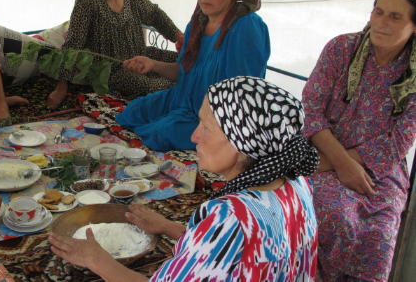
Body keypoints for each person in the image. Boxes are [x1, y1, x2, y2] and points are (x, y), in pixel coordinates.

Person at [49, 76, 319, 281]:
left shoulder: (231, 216)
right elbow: (244, 251)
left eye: (206, 128)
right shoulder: (298, 183)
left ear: (242, 144)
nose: (194, 137)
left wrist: (96, 258)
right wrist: (170, 227)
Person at [302, 0, 416, 281]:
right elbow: (312, 111)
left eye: (395, 16)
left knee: (380, 235)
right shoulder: (341, 49)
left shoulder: (414, 76)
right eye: (378, 12)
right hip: (322, 154)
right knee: (332, 214)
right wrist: (339, 164)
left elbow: (396, 143)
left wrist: (349, 166)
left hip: (380, 169)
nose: (382, 22)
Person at [115, 0, 270, 152]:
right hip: (181, 100)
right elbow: (184, 71)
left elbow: (242, 94)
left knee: (164, 132)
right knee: (133, 112)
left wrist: (206, 122)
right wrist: (153, 65)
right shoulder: (197, 23)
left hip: (218, 119)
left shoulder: (246, 27)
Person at [47, 0, 184, 106]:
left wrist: (179, 37)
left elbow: (154, 14)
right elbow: (73, 43)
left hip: (140, 56)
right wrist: (61, 87)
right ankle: (184, 91)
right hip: (110, 71)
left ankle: (187, 86)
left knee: (185, 62)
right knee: (147, 86)